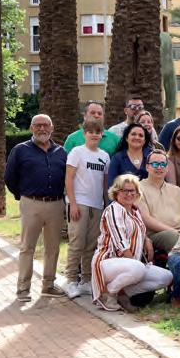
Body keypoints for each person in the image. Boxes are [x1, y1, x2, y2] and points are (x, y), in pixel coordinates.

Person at [6, 115, 68, 301]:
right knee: (27, 248)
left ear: (52, 128)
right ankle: (23, 289)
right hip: (31, 203)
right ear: (32, 128)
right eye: (38, 125)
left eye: (45, 125)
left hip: (56, 204)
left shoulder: (61, 152)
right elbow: (9, 177)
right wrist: (22, 196)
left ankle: (48, 285)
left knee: (53, 248)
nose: (42, 129)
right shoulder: (20, 150)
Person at [89, 174, 172, 311]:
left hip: (129, 265)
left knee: (166, 277)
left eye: (132, 190)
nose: (129, 194)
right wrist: (137, 266)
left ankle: (122, 294)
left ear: (137, 192)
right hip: (107, 262)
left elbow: (139, 232)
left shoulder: (135, 210)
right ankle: (107, 292)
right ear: (116, 192)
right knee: (138, 269)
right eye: (124, 190)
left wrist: (147, 241)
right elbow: (121, 244)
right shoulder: (114, 209)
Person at [63, 119, 110, 300]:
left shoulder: (104, 156)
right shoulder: (77, 152)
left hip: (97, 205)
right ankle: (70, 280)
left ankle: (86, 281)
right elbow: (68, 179)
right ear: (84, 134)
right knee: (77, 243)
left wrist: (106, 205)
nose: (94, 135)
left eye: (98, 132)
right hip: (79, 203)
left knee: (91, 245)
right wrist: (72, 204)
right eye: (91, 132)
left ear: (101, 135)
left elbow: (104, 184)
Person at [137, 150, 180, 253]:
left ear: (167, 168)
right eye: (155, 164)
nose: (159, 167)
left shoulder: (176, 190)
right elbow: (146, 219)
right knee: (172, 236)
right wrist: (174, 231)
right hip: (156, 234)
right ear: (147, 167)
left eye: (163, 164)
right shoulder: (138, 188)